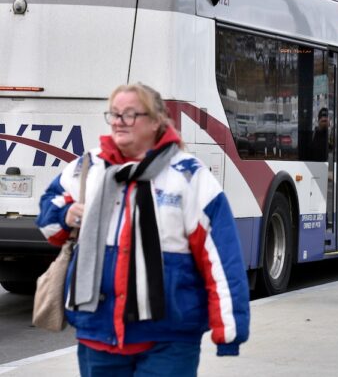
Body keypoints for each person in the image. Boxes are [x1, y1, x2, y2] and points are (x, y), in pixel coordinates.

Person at [37, 83, 250, 376]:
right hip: (98, 334)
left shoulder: (188, 175)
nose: (118, 122)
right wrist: (65, 214)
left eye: (129, 114)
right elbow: (48, 219)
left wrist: (229, 327)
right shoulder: (89, 166)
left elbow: (221, 258)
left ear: (155, 121)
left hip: (169, 338)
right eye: (113, 114)